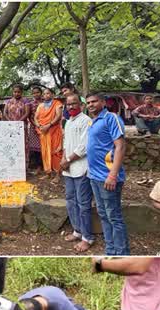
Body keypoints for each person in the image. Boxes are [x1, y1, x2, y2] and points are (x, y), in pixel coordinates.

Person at [86, 92, 130, 256]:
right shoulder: (93, 122)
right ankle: (110, 249)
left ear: (103, 102)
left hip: (108, 177)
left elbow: (120, 146)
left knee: (114, 216)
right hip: (94, 176)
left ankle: (122, 252)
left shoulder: (111, 118)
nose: (90, 105)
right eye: (88, 102)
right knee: (103, 214)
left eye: (94, 101)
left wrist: (112, 175)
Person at [60, 94, 95, 252]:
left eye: (74, 104)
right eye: (68, 105)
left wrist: (68, 160)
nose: (71, 107)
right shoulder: (68, 122)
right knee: (70, 200)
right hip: (68, 169)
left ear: (81, 105)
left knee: (83, 204)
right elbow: (66, 143)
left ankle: (87, 237)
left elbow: (84, 146)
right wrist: (63, 159)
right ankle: (77, 230)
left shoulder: (86, 121)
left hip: (81, 167)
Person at [34, 88, 64, 180]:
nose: (46, 95)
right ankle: (48, 173)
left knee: (56, 152)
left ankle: (57, 174)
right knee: (45, 152)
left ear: (52, 94)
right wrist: (39, 126)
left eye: (48, 93)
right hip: (43, 132)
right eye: (44, 94)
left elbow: (58, 116)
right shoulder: (40, 105)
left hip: (54, 131)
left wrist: (49, 125)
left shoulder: (57, 104)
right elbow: (35, 117)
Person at [3, 84, 30, 165]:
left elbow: (27, 113)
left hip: (22, 126)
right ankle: (12, 163)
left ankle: (24, 164)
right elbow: (5, 112)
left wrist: (18, 122)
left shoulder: (25, 101)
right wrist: (11, 122)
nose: (16, 93)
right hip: (11, 126)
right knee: (11, 143)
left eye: (18, 92)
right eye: (15, 92)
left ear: (21, 92)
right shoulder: (8, 101)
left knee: (23, 144)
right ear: (12, 92)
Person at [26, 86, 43, 170]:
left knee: (45, 146)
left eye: (37, 92)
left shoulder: (46, 103)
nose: (36, 94)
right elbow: (29, 116)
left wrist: (43, 126)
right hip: (34, 128)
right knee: (36, 149)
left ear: (41, 93)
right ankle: (38, 166)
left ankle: (45, 165)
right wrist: (36, 125)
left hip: (45, 128)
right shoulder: (30, 104)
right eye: (34, 93)